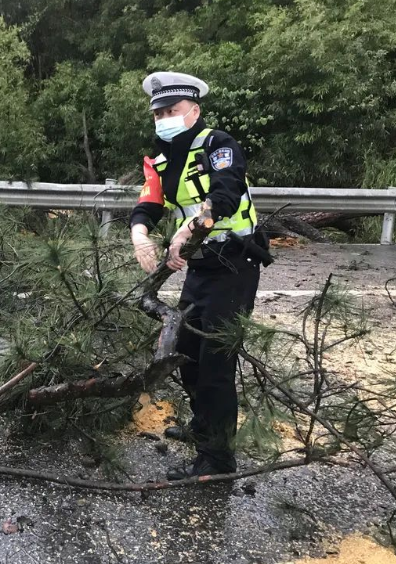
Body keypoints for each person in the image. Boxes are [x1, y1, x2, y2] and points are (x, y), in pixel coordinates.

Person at [129, 71, 268, 479]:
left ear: (194, 111)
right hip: (202, 265)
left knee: (215, 365)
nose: (164, 119)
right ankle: (203, 428)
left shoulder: (218, 145)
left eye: (172, 111)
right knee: (187, 355)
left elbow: (223, 195)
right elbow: (150, 201)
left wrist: (187, 230)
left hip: (235, 263)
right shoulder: (161, 157)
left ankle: (217, 462)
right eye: (158, 113)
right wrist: (141, 235)